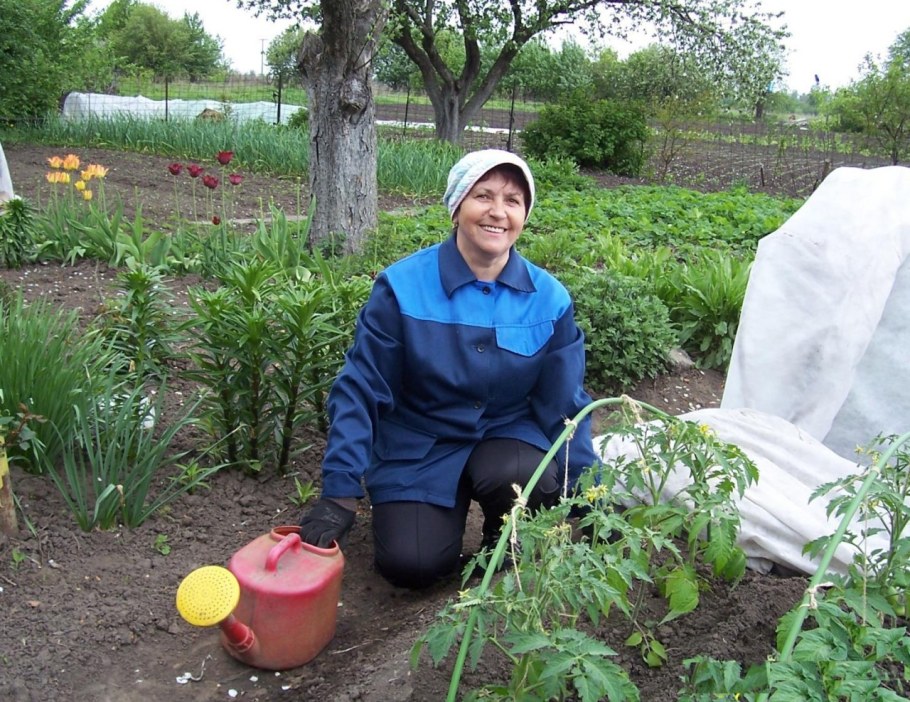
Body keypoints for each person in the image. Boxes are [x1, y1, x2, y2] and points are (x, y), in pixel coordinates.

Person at [298, 149, 601, 589]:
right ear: (457, 206)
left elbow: (567, 404)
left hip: (504, 438)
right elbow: (362, 387)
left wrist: (587, 492)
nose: (498, 212)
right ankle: (431, 513)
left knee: (522, 472)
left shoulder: (548, 298)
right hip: (420, 441)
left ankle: (505, 535)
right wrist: (339, 490)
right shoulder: (402, 287)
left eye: (513, 200)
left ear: (525, 215)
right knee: (412, 565)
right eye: (483, 196)